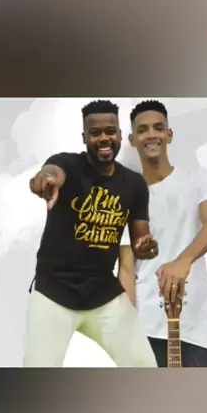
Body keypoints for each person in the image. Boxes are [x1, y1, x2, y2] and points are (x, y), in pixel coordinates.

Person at [24, 100, 159, 367]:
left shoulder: (134, 184)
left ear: (120, 135)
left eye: (110, 131)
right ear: (84, 138)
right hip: (54, 292)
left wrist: (145, 247)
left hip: (103, 293)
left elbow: (140, 238)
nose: (104, 138)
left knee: (144, 366)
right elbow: (53, 172)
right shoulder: (68, 164)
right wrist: (45, 179)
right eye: (95, 133)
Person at [118, 100, 207, 367]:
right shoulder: (127, 199)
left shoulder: (197, 179)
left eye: (158, 127)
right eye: (142, 130)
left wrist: (182, 261)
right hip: (146, 326)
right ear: (132, 140)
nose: (151, 134)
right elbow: (127, 268)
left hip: (194, 323)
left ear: (169, 134)